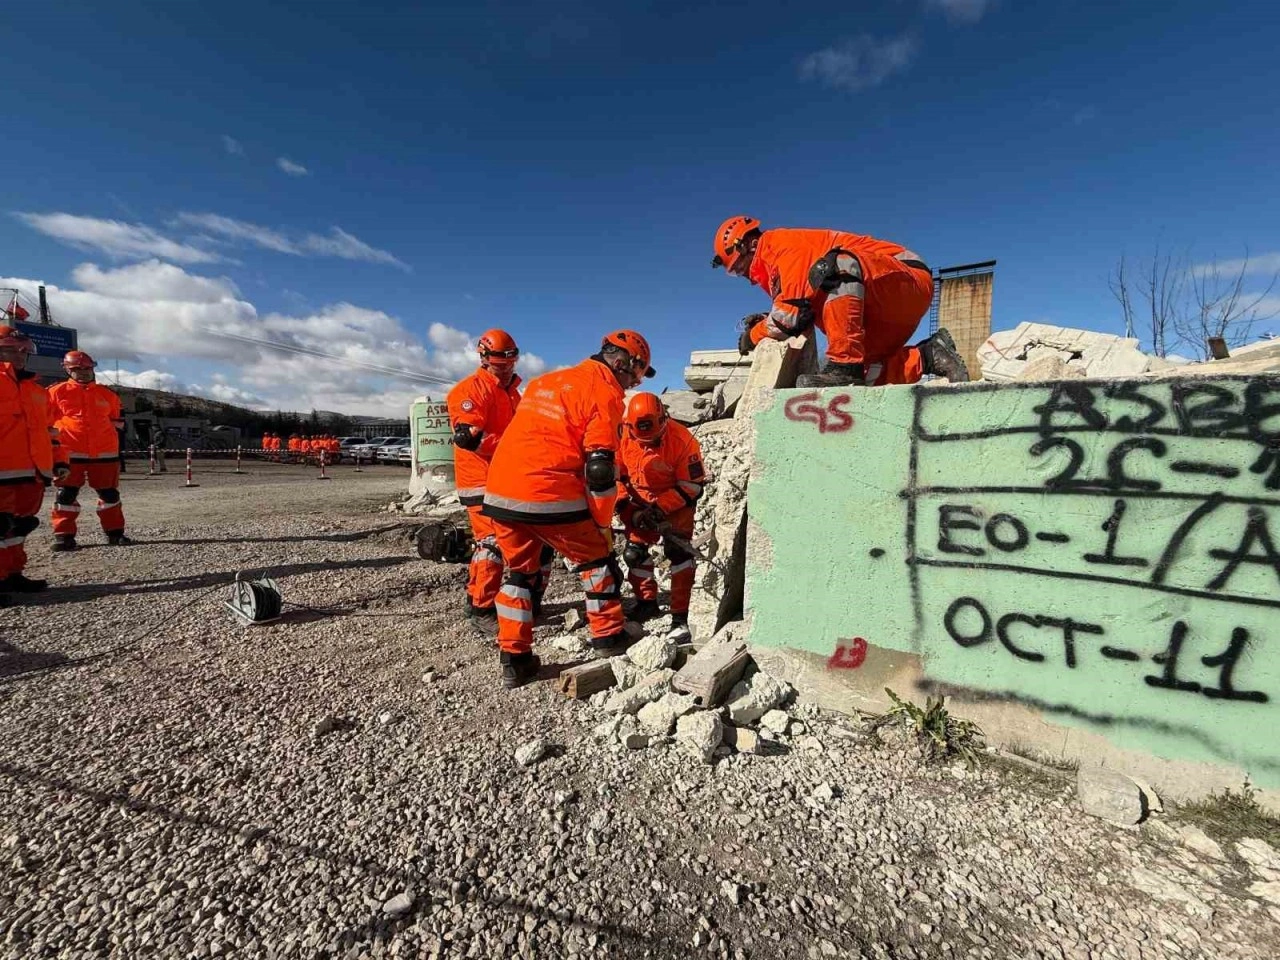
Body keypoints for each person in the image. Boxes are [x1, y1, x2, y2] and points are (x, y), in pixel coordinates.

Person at [482, 330, 655, 688]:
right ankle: (608, 637)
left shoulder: (547, 381)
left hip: (501, 493)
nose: (635, 383)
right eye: (638, 374)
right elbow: (600, 469)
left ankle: (515, 660)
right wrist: (602, 522)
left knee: (520, 576)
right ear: (621, 363)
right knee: (597, 564)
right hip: (549, 494)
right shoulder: (603, 391)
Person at [710, 215, 970, 388]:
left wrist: (752, 336)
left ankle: (844, 365)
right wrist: (773, 320)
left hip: (904, 279)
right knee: (866, 376)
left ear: (749, 244)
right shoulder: (775, 267)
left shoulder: (783, 246)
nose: (742, 275)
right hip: (879, 307)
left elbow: (786, 317)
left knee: (836, 266)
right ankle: (929, 355)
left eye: (738, 266)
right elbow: (794, 313)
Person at [447, 329, 527, 633]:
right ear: (483, 357)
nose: (506, 364)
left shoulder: (512, 393)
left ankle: (474, 596)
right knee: (492, 544)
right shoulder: (471, 390)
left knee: (495, 543)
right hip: (478, 479)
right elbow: (467, 438)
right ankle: (482, 608)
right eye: (499, 359)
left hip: (503, 479)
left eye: (510, 358)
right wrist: (511, 446)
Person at [616, 393, 706, 643]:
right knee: (634, 554)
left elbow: (692, 486)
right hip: (637, 502)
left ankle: (680, 615)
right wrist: (626, 506)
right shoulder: (622, 435)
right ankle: (646, 602)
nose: (651, 442)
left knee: (679, 556)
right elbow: (615, 476)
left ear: (663, 420)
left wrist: (659, 509)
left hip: (675, 502)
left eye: (655, 437)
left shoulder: (682, 440)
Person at [47, 351, 132, 550]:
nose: (83, 373)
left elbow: (117, 422)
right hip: (69, 453)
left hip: (105, 454)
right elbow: (44, 422)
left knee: (109, 494)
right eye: (77, 369)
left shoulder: (107, 394)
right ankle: (64, 536)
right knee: (65, 495)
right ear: (67, 369)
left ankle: (115, 533)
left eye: (87, 368)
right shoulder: (54, 393)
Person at [0, 326, 61, 596]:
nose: (20, 355)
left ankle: (13, 574)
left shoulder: (38, 392)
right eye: (12, 349)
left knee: (19, 526)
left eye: (24, 350)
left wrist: (59, 461)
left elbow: (52, 432)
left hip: (30, 471)